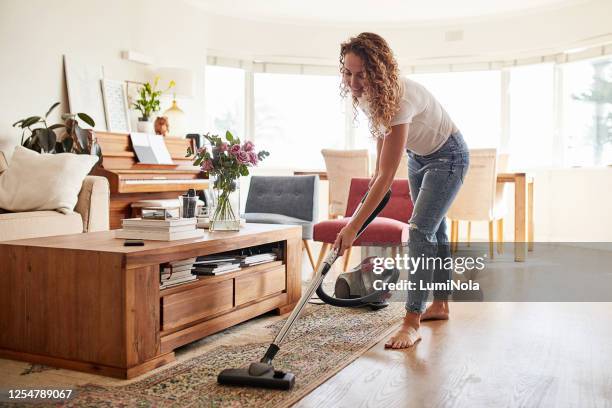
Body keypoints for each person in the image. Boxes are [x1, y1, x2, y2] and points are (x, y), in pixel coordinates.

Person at [333, 32, 470, 349]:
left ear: (378, 72)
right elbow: (381, 167)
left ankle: (412, 321)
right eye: (347, 73)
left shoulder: (399, 98)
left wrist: (353, 226)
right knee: (438, 230)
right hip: (418, 157)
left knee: (421, 231)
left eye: (361, 75)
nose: (353, 82)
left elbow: (386, 174)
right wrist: (369, 194)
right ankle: (441, 304)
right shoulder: (370, 95)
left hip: (449, 157)